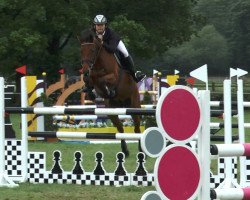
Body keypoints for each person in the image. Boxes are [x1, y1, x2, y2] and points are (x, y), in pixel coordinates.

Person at [82, 14, 146, 97]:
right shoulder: (91, 33)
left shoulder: (111, 34)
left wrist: (102, 43)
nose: (100, 27)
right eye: (98, 25)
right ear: (95, 26)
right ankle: (88, 86)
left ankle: (134, 74)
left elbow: (112, 49)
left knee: (125, 53)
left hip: (112, 44)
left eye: (102, 25)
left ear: (105, 25)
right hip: (99, 49)